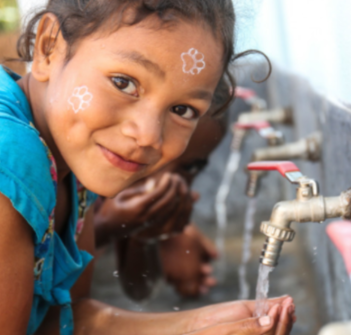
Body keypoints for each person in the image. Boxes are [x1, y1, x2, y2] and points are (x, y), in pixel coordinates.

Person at [0, 1, 295, 334]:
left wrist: (196, 325)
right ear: (48, 47)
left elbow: (66, 321)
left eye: (182, 110)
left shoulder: (74, 164)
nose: (148, 135)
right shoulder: (11, 155)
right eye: (124, 83)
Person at [95, 107, 227, 300]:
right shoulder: (69, 181)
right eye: (151, 156)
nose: (164, 181)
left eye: (190, 167)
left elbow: (139, 291)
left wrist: (156, 233)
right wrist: (106, 227)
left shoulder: (126, 196)